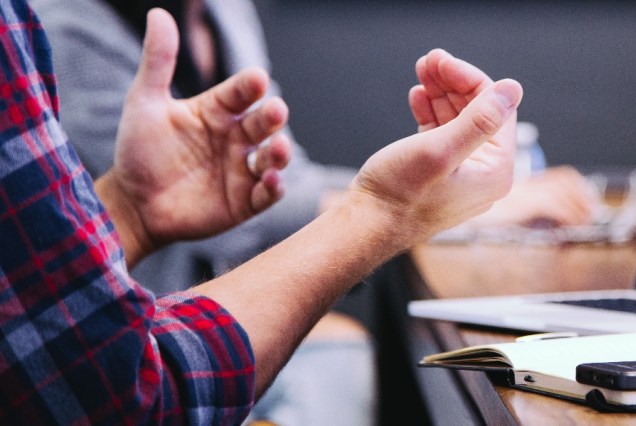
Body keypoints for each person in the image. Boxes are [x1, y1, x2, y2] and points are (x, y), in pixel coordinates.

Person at [33, 0, 596, 424]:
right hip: (127, 351)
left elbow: (267, 179)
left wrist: (133, 210)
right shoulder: (61, 25)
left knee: (344, 350)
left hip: (162, 337)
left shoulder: (223, 10)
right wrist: (404, 206)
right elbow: (131, 389)